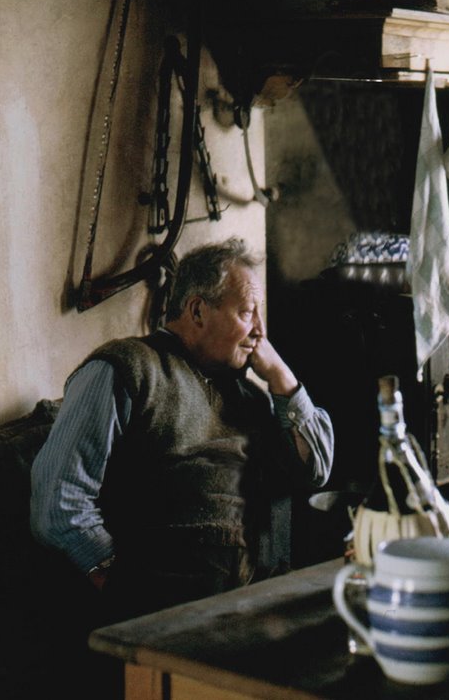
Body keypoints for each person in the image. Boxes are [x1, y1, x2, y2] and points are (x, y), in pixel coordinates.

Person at [31, 237, 333, 621]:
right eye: (247, 313)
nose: (260, 331)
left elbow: (316, 469)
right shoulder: (127, 368)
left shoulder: (249, 396)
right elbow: (58, 502)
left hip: (247, 605)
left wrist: (281, 377)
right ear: (198, 311)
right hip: (159, 611)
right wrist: (118, 586)